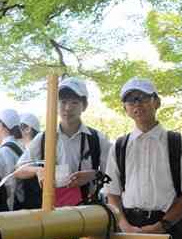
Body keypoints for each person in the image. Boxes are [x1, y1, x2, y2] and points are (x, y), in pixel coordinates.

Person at [104, 78, 182, 239]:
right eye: (130, 100)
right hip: (129, 227)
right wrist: (124, 225)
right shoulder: (120, 147)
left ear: (156, 102)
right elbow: (112, 194)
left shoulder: (178, 143)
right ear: (125, 108)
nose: (137, 104)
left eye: (142, 98)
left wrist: (161, 225)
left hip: (170, 227)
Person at [14, 77, 111, 207]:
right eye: (63, 102)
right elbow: (18, 170)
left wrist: (93, 175)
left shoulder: (97, 139)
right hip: (51, 212)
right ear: (56, 104)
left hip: (87, 212)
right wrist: (38, 171)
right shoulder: (44, 138)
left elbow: (111, 173)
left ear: (84, 106)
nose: (67, 108)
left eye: (74, 102)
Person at [0, 109, 23, 211]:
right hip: (24, 201)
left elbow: (10, 183)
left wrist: (8, 210)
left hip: (15, 207)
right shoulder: (19, 146)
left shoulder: (5, 150)